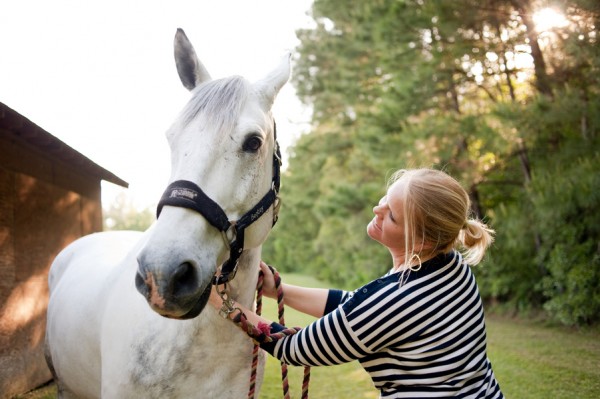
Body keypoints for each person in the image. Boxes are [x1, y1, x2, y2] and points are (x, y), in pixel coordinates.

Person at [210, 168, 504, 398]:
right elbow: (355, 307)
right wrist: (277, 290)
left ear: (421, 240)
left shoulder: (394, 302)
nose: (378, 210)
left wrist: (221, 304)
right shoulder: (452, 266)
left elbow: (295, 348)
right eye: (386, 199)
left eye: (391, 215)